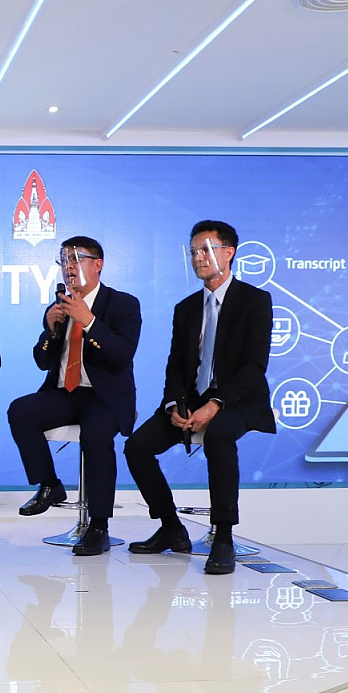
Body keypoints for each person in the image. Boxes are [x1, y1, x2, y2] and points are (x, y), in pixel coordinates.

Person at [125, 220, 276, 575]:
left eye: (206, 250)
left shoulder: (255, 301)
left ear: (229, 252)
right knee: (137, 447)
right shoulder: (186, 308)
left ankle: (223, 537)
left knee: (219, 435)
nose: (198, 258)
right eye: (193, 252)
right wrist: (175, 405)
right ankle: (170, 527)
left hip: (238, 400)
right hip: (192, 398)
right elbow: (176, 365)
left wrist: (215, 403)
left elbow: (254, 366)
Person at [6, 235, 141, 555]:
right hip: (65, 393)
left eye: (77, 258)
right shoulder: (59, 306)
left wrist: (89, 321)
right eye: (64, 259)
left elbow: (121, 355)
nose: (69, 266)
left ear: (98, 264)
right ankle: (49, 484)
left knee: (96, 434)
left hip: (105, 396)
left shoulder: (123, 304)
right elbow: (42, 362)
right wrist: (51, 331)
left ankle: (98, 526)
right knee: (20, 410)